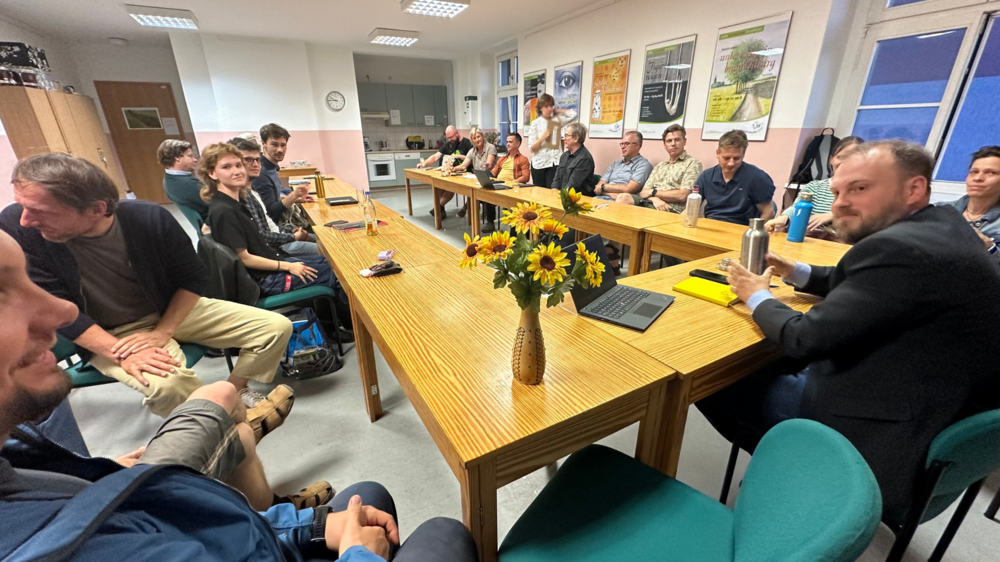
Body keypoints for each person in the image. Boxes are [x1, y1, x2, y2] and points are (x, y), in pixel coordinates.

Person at [0, 230, 479, 561]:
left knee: (366, 496)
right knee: (445, 530)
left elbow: (194, 530)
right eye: (2, 292)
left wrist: (309, 531)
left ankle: (244, 432)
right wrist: (355, 553)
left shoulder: (25, 468)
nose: (65, 312)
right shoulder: (61, 543)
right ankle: (244, 431)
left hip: (249, 542)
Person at [700, 140, 1000, 525]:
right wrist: (796, 270)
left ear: (914, 189)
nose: (839, 202)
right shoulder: (944, 224)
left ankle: (798, 476)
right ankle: (795, 473)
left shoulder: (899, 248)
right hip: (934, 408)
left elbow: (803, 337)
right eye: (838, 190)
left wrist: (756, 295)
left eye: (860, 188)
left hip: (880, 433)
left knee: (713, 379)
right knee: (765, 363)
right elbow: (875, 286)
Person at [0, 153, 295, 419]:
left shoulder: (148, 218)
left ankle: (233, 393)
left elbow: (193, 279)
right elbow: (59, 308)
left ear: (96, 209)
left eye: (40, 210)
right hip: (112, 332)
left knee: (276, 328)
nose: (26, 220)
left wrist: (163, 332)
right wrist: (119, 352)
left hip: (171, 310)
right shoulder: (16, 226)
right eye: (22, 206)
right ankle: (225, 429)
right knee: (171, 386)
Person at [201, 143, 354, 342]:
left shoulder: (236, 202)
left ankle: (335, 327)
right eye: (226, 167)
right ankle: (352, 327)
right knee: (339, 271)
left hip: (273, 265)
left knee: (333, 261)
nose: (237, 171)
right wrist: (288, 266)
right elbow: (245, 258)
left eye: (238, 165)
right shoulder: (224, 210)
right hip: (267, 279)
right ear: (212, 173)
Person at [230, 136, 318, 256]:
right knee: (331, 251)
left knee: (326, 239)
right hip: (277, 248)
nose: (255, 164)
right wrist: (292, 237)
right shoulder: (243, 196)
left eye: (257, 160)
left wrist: (290, 231)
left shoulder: (253, 188)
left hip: (280, 235)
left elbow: (268, 224)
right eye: (248, 160)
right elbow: (263, 233)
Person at [765, 136, 863, 236]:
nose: (844, 163)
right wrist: (782, 218)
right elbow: (796, 208)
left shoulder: (864, 191)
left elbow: (865, 218)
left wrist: (833, 216)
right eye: (840, 157)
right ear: (831, 159)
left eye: (851, 158)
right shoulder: (815, 186)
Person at [694, 130, 776, 225]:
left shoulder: (757, 177)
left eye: (736, 158)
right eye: (726, 158)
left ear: (743, 155)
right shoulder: (706, 176)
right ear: (717, 153)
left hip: (740, 227)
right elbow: (691, 208)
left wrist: (752, 232)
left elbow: (768, 212)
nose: (731, 163)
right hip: (711, 224)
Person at [616, 125, 702, 213]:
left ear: (684, 141)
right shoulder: (660, 165)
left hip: (669, 208)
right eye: (669, 141)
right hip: (651, 202)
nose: (673, 144)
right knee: (623, 197)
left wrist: (653, 192)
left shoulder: (693, 163)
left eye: (677, 140)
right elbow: (644, 192)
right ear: (665, 145)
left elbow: (683, 195)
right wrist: (655, 199)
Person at [937, 145, 1000, 257]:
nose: (978, 178)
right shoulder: (937, 211)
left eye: (990, 173)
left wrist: (989, 247)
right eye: (974, 172)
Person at [253, 123, 313, 224]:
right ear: (263, 144)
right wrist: (294, 195)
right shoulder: (261, 173)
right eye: (274, 145)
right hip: (276, 229)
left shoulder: (272, 167)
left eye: (283, 145)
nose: (280, 150)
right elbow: (271, 212)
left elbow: (275, 194)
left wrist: (297, 198)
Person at [416, 125, 474, 218]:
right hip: (451, 173)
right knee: (438, 186)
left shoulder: (467, 143)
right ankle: (441, 209)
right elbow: (436, 156)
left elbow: (471, 158)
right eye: (448, 138)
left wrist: (458, 156)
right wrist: (424, 163)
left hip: (465, 173)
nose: (450, 139)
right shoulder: (448, 145)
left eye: (451, 137)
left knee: (450, 187)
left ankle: (438, 207)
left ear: (456, 133)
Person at [527, 94, 577, 188]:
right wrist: (542, 138)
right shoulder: (535, 123)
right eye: (546, 106)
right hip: (539, 164)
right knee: (539, 194)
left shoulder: (557, 120)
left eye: (551, 106)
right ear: (540, 108)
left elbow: (573, 114)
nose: (549, 108)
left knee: (552, 192)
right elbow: (532, 148)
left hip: (555, 163)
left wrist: (556, 110)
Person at [452, 127, 498, 220]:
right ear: (472, 140)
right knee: (470, 189)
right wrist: (453, 168)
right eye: (474, 138)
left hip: (490, 178)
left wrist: (487, 165)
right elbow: (463, 166)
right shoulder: (472, 151)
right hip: (477, 178)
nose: (477, 140)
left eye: (478, 136)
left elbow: (489, 163)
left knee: (485, 188)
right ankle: (473, 216)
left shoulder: (490, 147)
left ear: (482, 136)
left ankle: (490, 221)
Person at [594, 131, 653, 200]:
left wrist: (603, 187)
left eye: (626, 143)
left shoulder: (644, 165)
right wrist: (610, 194)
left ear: (637, 145)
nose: (622, 147)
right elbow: (597, 188)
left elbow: (628, 189)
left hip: (622, 203)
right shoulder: (615, 164)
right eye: (622, 144)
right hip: (601, 198)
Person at [159, 139, 207, 221]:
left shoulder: (169, 179)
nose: (195, 159)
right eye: (190, 156)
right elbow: (220, 204)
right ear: (177, 158)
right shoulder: (187, 184)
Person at [551, 122, 596, 195]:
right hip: (563, 196)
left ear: (575, 139)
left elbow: (573, 186)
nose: (564, 138)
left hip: (579, 199)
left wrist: (559, 197)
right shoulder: (564, 156)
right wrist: (554, 192)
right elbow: (556, 180)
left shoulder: (585, 158)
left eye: (566, 135)